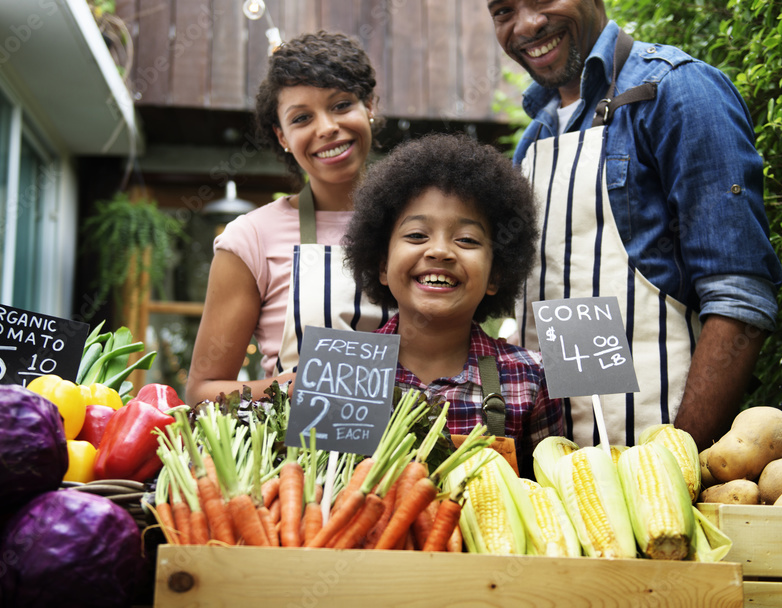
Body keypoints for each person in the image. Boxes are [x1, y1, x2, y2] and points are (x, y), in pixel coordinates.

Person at [477, 0, 782, 450]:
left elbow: (740, 300)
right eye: (504, 11)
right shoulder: (533, 144)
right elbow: (559, 308)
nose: (525, 24)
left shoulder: (678, 93)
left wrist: (675, 463)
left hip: (667, 462)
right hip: (558, 472)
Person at [185, 31, 389, 406]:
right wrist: (297, 386)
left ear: (370, 106)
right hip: (300, 455)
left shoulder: (418, 223)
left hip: (417, 454)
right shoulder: (250, 238)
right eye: (302, 118)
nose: (326, 127)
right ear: (282, 135)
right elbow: (202, 392)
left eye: (342, 105)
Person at [343, 133, 565, 474]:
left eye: (466, 239)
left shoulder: (532, 378)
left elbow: (549, 498)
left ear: (496, 275)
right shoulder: (342, 370)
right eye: (417, 235)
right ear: (382, 265)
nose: (440, 251)